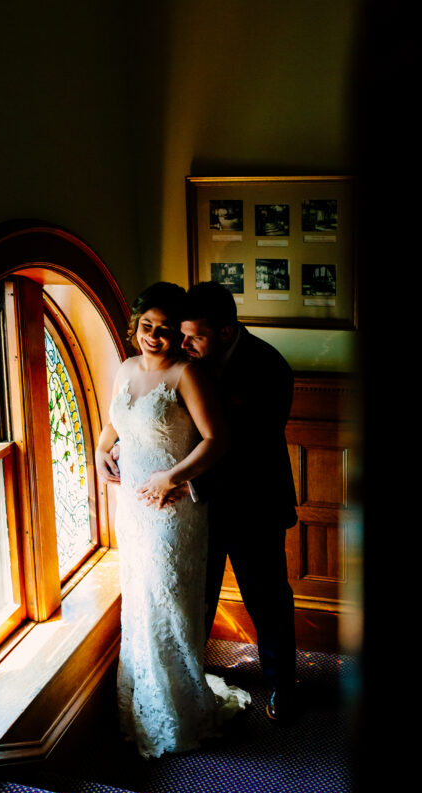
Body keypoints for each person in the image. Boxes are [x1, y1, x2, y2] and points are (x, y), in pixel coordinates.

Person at [95, 282, 250, 758]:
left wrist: (171, 477)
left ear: (177, 333)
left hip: (172, 511)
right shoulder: (123, 368)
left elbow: (216, 440)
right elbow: (113, 429)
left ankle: (181, 708)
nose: (153, 337)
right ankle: (142, 704)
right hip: (132, 512)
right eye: (146, 326)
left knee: (170, 605)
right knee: (140, 604)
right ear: (135, 324)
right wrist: (100, 455)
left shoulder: (188, 375)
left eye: (164, 330)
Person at [179, 281, 299, 721]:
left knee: (266, 599)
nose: (185, 344)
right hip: (197, 506)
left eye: (196, 336)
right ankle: (188, 681)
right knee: (198, 596)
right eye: (183, 334)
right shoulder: (185, 360)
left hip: (255, 505)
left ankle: (283, 685)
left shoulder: (270, 366)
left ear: (226, 331)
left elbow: (249, 445)